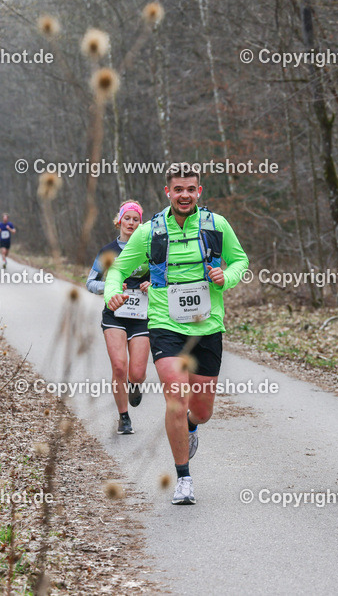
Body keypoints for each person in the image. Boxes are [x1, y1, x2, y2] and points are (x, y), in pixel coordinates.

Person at [105, 166, 249, 505]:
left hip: (208, 327)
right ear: (167, 192)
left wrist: (225, 276)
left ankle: (191, 426)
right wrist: (113, 290)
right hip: (166, 325)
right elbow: (119, 269)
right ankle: (183, 478)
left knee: (200, 410)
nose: (184, 194)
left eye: (190, 189)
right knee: (175, 395)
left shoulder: (216, 225)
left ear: (199, 191)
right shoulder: (150, 231)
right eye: (178, 189)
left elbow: (240, 260)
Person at [86, 201, 151, 435]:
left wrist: (150, 284)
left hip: (142, 315)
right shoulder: (107, 251)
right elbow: (89, 282)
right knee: (119, 366)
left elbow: (164, 278)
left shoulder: (149, 249)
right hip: (115, 314)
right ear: (119, 221)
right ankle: (124, 417)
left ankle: (135, 385)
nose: (131, 223)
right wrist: (108, 287)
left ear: (140, 224)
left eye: (136, 219)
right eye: (128, 218)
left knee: (137, 373)